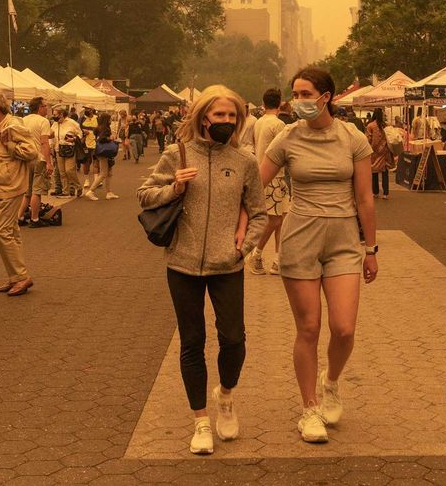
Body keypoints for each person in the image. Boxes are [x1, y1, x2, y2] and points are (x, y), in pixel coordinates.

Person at [137, 85, 267, 455]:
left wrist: (244, 244)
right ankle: (201, 421)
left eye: (232, 116)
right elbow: (145, 195)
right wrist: (174, 188)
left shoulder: (245, 161)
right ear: (203, 116)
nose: (226, 121)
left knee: (233, 339)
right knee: (191, 342)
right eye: (220, 115)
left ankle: (226, 396)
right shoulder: (175, 154)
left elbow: (258, 211)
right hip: (182, 264)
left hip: (228, 265)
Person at [260, 67, 378, 444]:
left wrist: (370, 249)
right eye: (295, 94)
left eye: (306, 93)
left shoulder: (353, 138)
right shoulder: (287, 137)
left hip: (344, 239)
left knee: (344, 328)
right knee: (308, 328)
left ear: (325, 97)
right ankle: (309, 409)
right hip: (300, 237)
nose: (298, 101)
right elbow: (254, 183)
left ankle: (331, 383)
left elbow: (365, 198)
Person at [0, 89, 40, 296]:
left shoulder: (12, 125)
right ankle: (16, 276)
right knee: (11, 232)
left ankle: (21, 277)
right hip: (3, 185)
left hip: (11, 186)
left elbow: (32, 152)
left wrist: (10, 144)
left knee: (2, 232)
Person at [249, 88, 291, 276]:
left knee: (281, 220)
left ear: (263, 102)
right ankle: (256, 254)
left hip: (263, 174)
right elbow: (284, 151)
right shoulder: (278, 124)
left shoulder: (258, 122)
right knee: (274, 220)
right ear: (280, 102)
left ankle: (278, 260)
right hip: (275, 177)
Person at [18, 97, 54, 228]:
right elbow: (44, 142)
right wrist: (49, 162)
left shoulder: (23, 120)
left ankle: (20, 217)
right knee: (36, 191)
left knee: (27, 191)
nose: (47, 108)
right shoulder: (43, 121)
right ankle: (34, 218)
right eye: (45, 106)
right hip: (39, 158)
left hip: (26, 157)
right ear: (40, 107)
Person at [51, 105, 83, 197]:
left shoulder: (72, 123)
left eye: (55, 114)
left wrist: (73, 139)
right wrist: (51, 147)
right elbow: (51, 135)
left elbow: (80, 134)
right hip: (58, 149)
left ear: (61, 114)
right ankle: (66, 191)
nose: (54, 116)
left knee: (69, 170)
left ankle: (78, 186)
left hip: (69, 149)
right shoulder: (55, 124)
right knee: (62, 172)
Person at [86, 113, 119, 201]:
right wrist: (111, 138)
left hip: (99, 151)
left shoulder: (98, 128)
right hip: (105, 152)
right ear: (106, 120)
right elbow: (102, 139)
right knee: (104, 173)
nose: (111, 120)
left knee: (109, 173)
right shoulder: (105, 128)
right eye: (110, 119)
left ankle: (109, 192)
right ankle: (91, 191)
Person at [366, 108, 391, 200]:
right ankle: (385, 193)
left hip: (374, 152)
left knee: (374, 172)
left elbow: (368, 139)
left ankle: (375, 192)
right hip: (384, 151)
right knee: (385, 172)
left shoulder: (370, 126)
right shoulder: (384, 125)